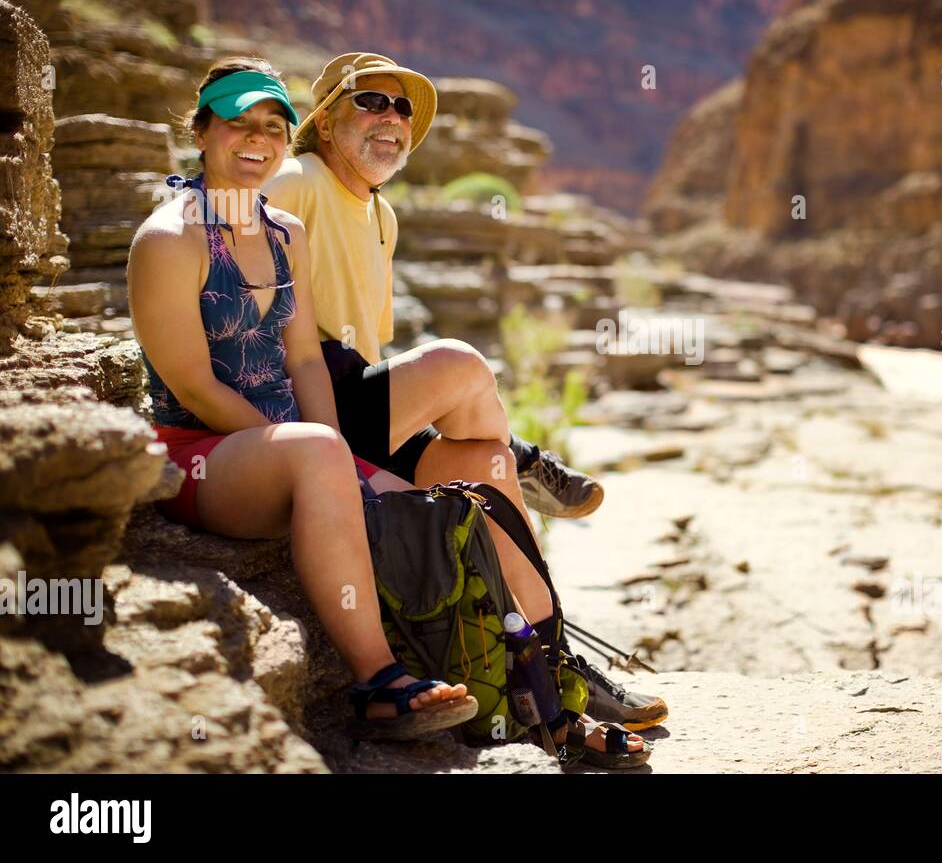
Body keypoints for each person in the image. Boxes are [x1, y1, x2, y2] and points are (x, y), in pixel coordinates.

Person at [129, 56, 649, 762]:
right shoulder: (169, 238)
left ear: (287, 136)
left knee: (466, 504)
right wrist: (331, 457)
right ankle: (380, 682)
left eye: (270, 126)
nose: (256, 139)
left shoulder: (284, 233)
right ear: (200, 129)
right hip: (204, 457)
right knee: (331, 453)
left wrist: (352, 459)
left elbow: (309, 359)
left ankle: (546, 692)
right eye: (236, 123)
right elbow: (193, 388)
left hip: (304, 444)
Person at [263, 53, 667, 731]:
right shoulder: (297, 178)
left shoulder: (380, 216)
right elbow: (241, 280)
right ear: (326, 121)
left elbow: (370, 348)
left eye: (404, 109)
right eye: (372, 102)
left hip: (354, 401)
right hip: (301, 402)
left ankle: (556, 664)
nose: (393, 117)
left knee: (485, 468)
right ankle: (530, 457)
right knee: (460, 364)